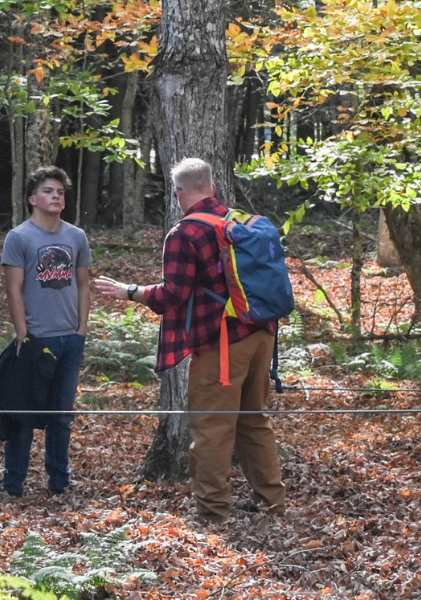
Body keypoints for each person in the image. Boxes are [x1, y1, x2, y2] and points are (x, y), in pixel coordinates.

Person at [93, 158, 285, 523]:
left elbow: (172, 296)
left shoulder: (186, 232)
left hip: (222, 344)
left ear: (178, 192)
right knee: (253, 421)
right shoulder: (240, 222)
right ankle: (272, 502)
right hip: (261, 335)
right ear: (212, 187)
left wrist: (130, 291)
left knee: (212, 426)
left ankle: (213, 512)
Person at [0, 167, 91, 497]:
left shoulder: (76, 237)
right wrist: (23, 334)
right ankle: (14, 483)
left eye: (61, 192)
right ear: (33, 199)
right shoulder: (19, 237)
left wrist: (81, 327)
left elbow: (82, 282)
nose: (56, 196)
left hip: (70, 338)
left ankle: (59, 480)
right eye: (49, 191)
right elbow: (14, 289)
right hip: (37, 339)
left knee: (61, 416)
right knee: (23, 416)